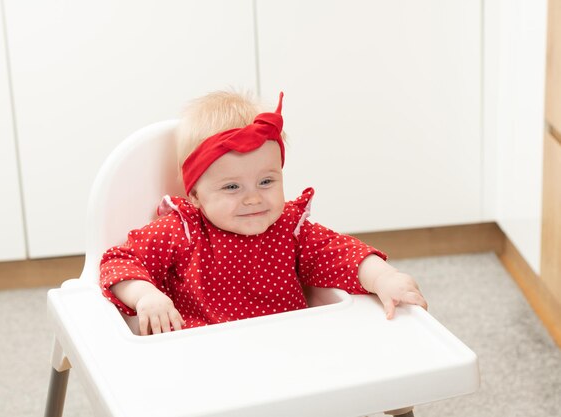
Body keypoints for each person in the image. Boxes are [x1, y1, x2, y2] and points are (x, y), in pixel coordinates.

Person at [99, 90, 427, 336]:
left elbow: (342, 255)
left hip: (289, 347)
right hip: (205, 357)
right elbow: (118, 261)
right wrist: (145, 296)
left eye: (266, 181)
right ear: (196, 195)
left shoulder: (291, 229)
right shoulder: (182, 230)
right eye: (232, 187)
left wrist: (384, 278)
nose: (254, 198)